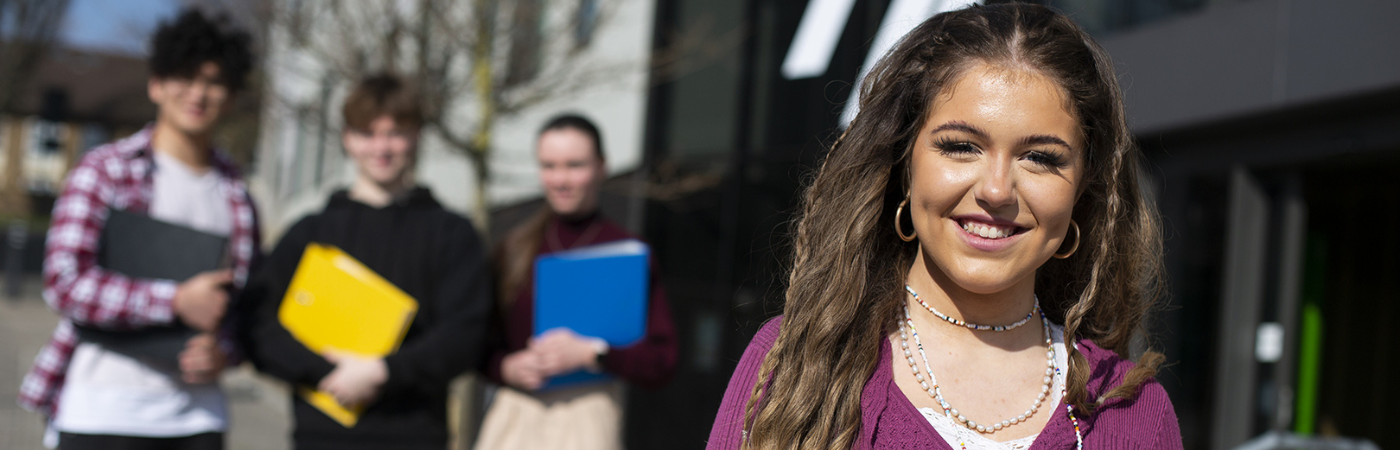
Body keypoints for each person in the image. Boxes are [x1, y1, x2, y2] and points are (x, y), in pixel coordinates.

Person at [707, 4, 1181, 450]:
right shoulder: (796, 364)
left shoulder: (1129, 410)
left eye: (1039, 158)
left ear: (1083, 189)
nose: (997, 191)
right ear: (904, 163)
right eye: (960, 146)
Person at [17, 10, 257, 450]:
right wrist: (176, 301)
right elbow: (64, 283)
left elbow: (243, 309)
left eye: (215, 81)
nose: (198, 93)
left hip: (197, 418)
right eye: (184, 76)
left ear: (233, 95)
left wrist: (225, 353)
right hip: (102, 409)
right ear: (157, 83)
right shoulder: (103, 171)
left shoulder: (238, 196)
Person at [239, 74, 491, 450]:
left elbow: (466, 334)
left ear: (417, 135)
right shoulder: (309, 233)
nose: (381, 147)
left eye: (395, 132)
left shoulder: (453, 234)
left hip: (415, 435)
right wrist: (329, 372)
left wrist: (381, 371)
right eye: (368, 133)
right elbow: (258, 326)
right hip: (320, 434)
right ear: (347, 138)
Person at [475, 114, 678, 450]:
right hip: (515, 415)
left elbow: (661, 360)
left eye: (575, 165)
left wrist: (594, 354)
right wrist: (506, 368)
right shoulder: (513, 248)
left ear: (602, 167)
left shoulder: (628, 254)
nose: (561, 179)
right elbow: (476, 344)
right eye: (549, 166)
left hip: (587, 417)